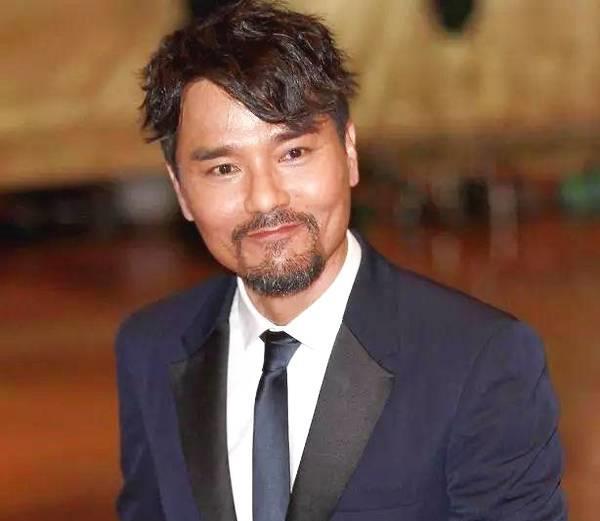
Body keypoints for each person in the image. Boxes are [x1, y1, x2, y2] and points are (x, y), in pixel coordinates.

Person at [115, 1, 567, 520]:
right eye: (223, 169)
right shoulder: (151, 348)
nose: (265, 198)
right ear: (181, 191)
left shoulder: (480, 361)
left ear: (349, 152)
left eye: (293, 153)